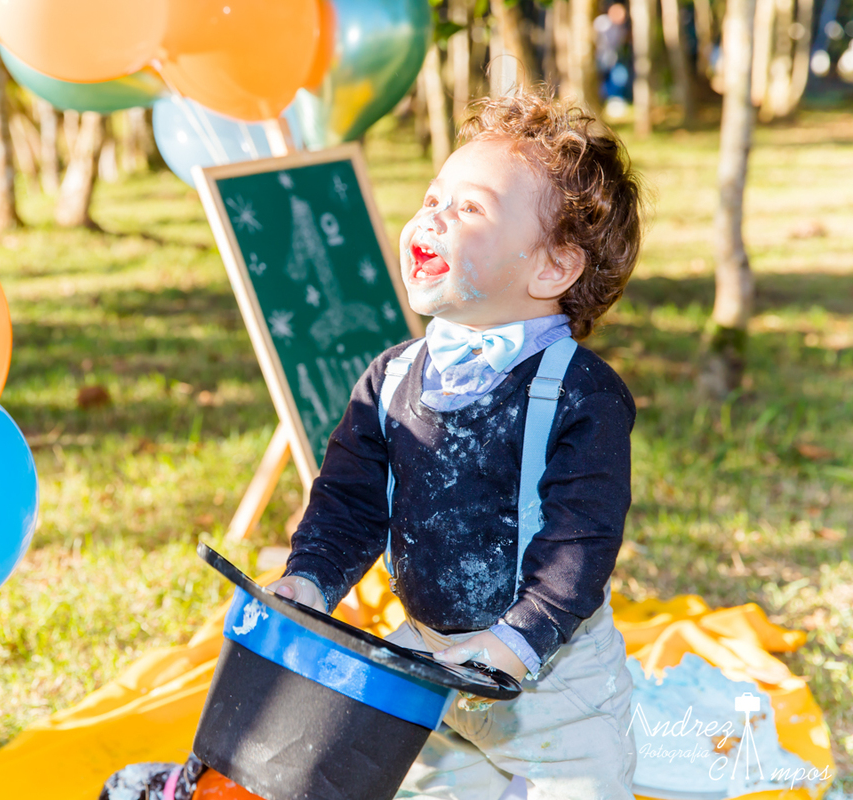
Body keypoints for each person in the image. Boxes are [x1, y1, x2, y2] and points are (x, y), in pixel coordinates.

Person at [267, 91, 646, 799]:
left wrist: (516, 642)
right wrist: (309, 579)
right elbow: (349, 504)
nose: (434, 215)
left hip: (553, 678)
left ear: (552, 269)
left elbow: (581, 541)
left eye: (469, 208)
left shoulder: (579, 394)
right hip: (430, 663)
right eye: (434, 195)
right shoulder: (392, 376)